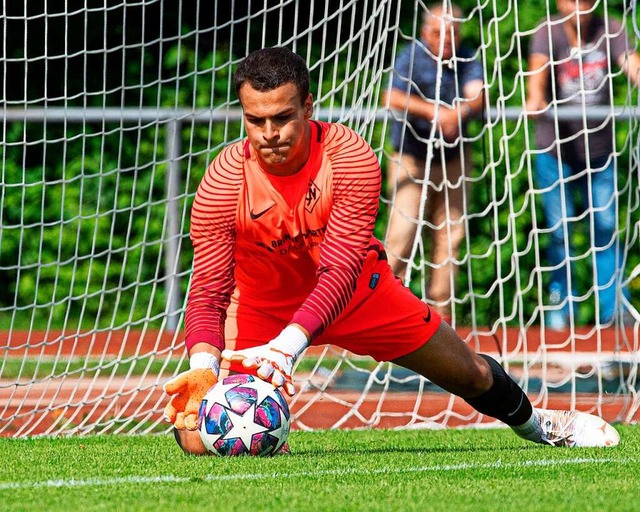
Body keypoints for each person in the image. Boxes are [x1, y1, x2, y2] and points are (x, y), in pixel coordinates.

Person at [163, 46, 619, 455]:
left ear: (308, 106)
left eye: (282, 117)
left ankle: (542, 426)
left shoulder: (349, 156)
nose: (269, 133)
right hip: (263, 307)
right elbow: (208, 289)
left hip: (358, 295)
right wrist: (204, 367)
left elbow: (340, 270)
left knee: (471, 374)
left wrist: (286, 349)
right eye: (254, 120)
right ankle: (259, 431)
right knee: (197, 436)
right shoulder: (223, 181)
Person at [525, 0, 640, 330]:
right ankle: (561, 307)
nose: (580, 8)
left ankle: (614, 308)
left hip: (598, 151)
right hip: (555, 149)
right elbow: (537, 71)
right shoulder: (548, 31)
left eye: (587, 1)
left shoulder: (611, 28)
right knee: (559, 230)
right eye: (573, 1)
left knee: (604, 227)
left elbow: (631, 66)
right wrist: (536, 97)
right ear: (560, 4)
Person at [382, 3, 484, 323]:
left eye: (452, 31)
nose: (446, 38)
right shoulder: (411, 56)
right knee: (402, 233)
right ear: (426, 32)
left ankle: (442, 318)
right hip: (411, 158)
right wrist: (432, 111)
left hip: (454, 160)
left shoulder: (467, 57)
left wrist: (459, 113)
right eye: (439, 32)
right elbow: (392, 97)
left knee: (450, 238)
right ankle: (381, 308)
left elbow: (477, 96)